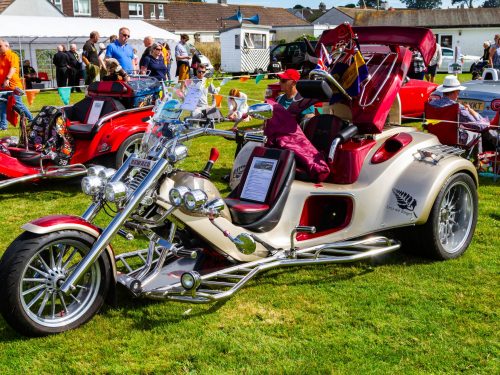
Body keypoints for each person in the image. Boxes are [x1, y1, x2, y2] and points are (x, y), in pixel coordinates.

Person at [430, 75, 498, 150]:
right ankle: (478, 159)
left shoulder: (431, 104)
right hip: (453, 139)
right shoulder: (457, 108)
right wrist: (475, 114)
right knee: (479, 134)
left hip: (434, 137)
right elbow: (479, 126)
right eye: (458, 92)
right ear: (455, 92)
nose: (458, 95)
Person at [0, 39, 33, 130]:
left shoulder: (13, 55)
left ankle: (31, 119)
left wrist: (7, 79)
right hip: (2, 87)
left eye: (0, 46)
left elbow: (13, 68)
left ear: (7, 46)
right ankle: (3, 126)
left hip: (13, 86)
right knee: (2, 106)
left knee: (18, 105)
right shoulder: (0, 57)